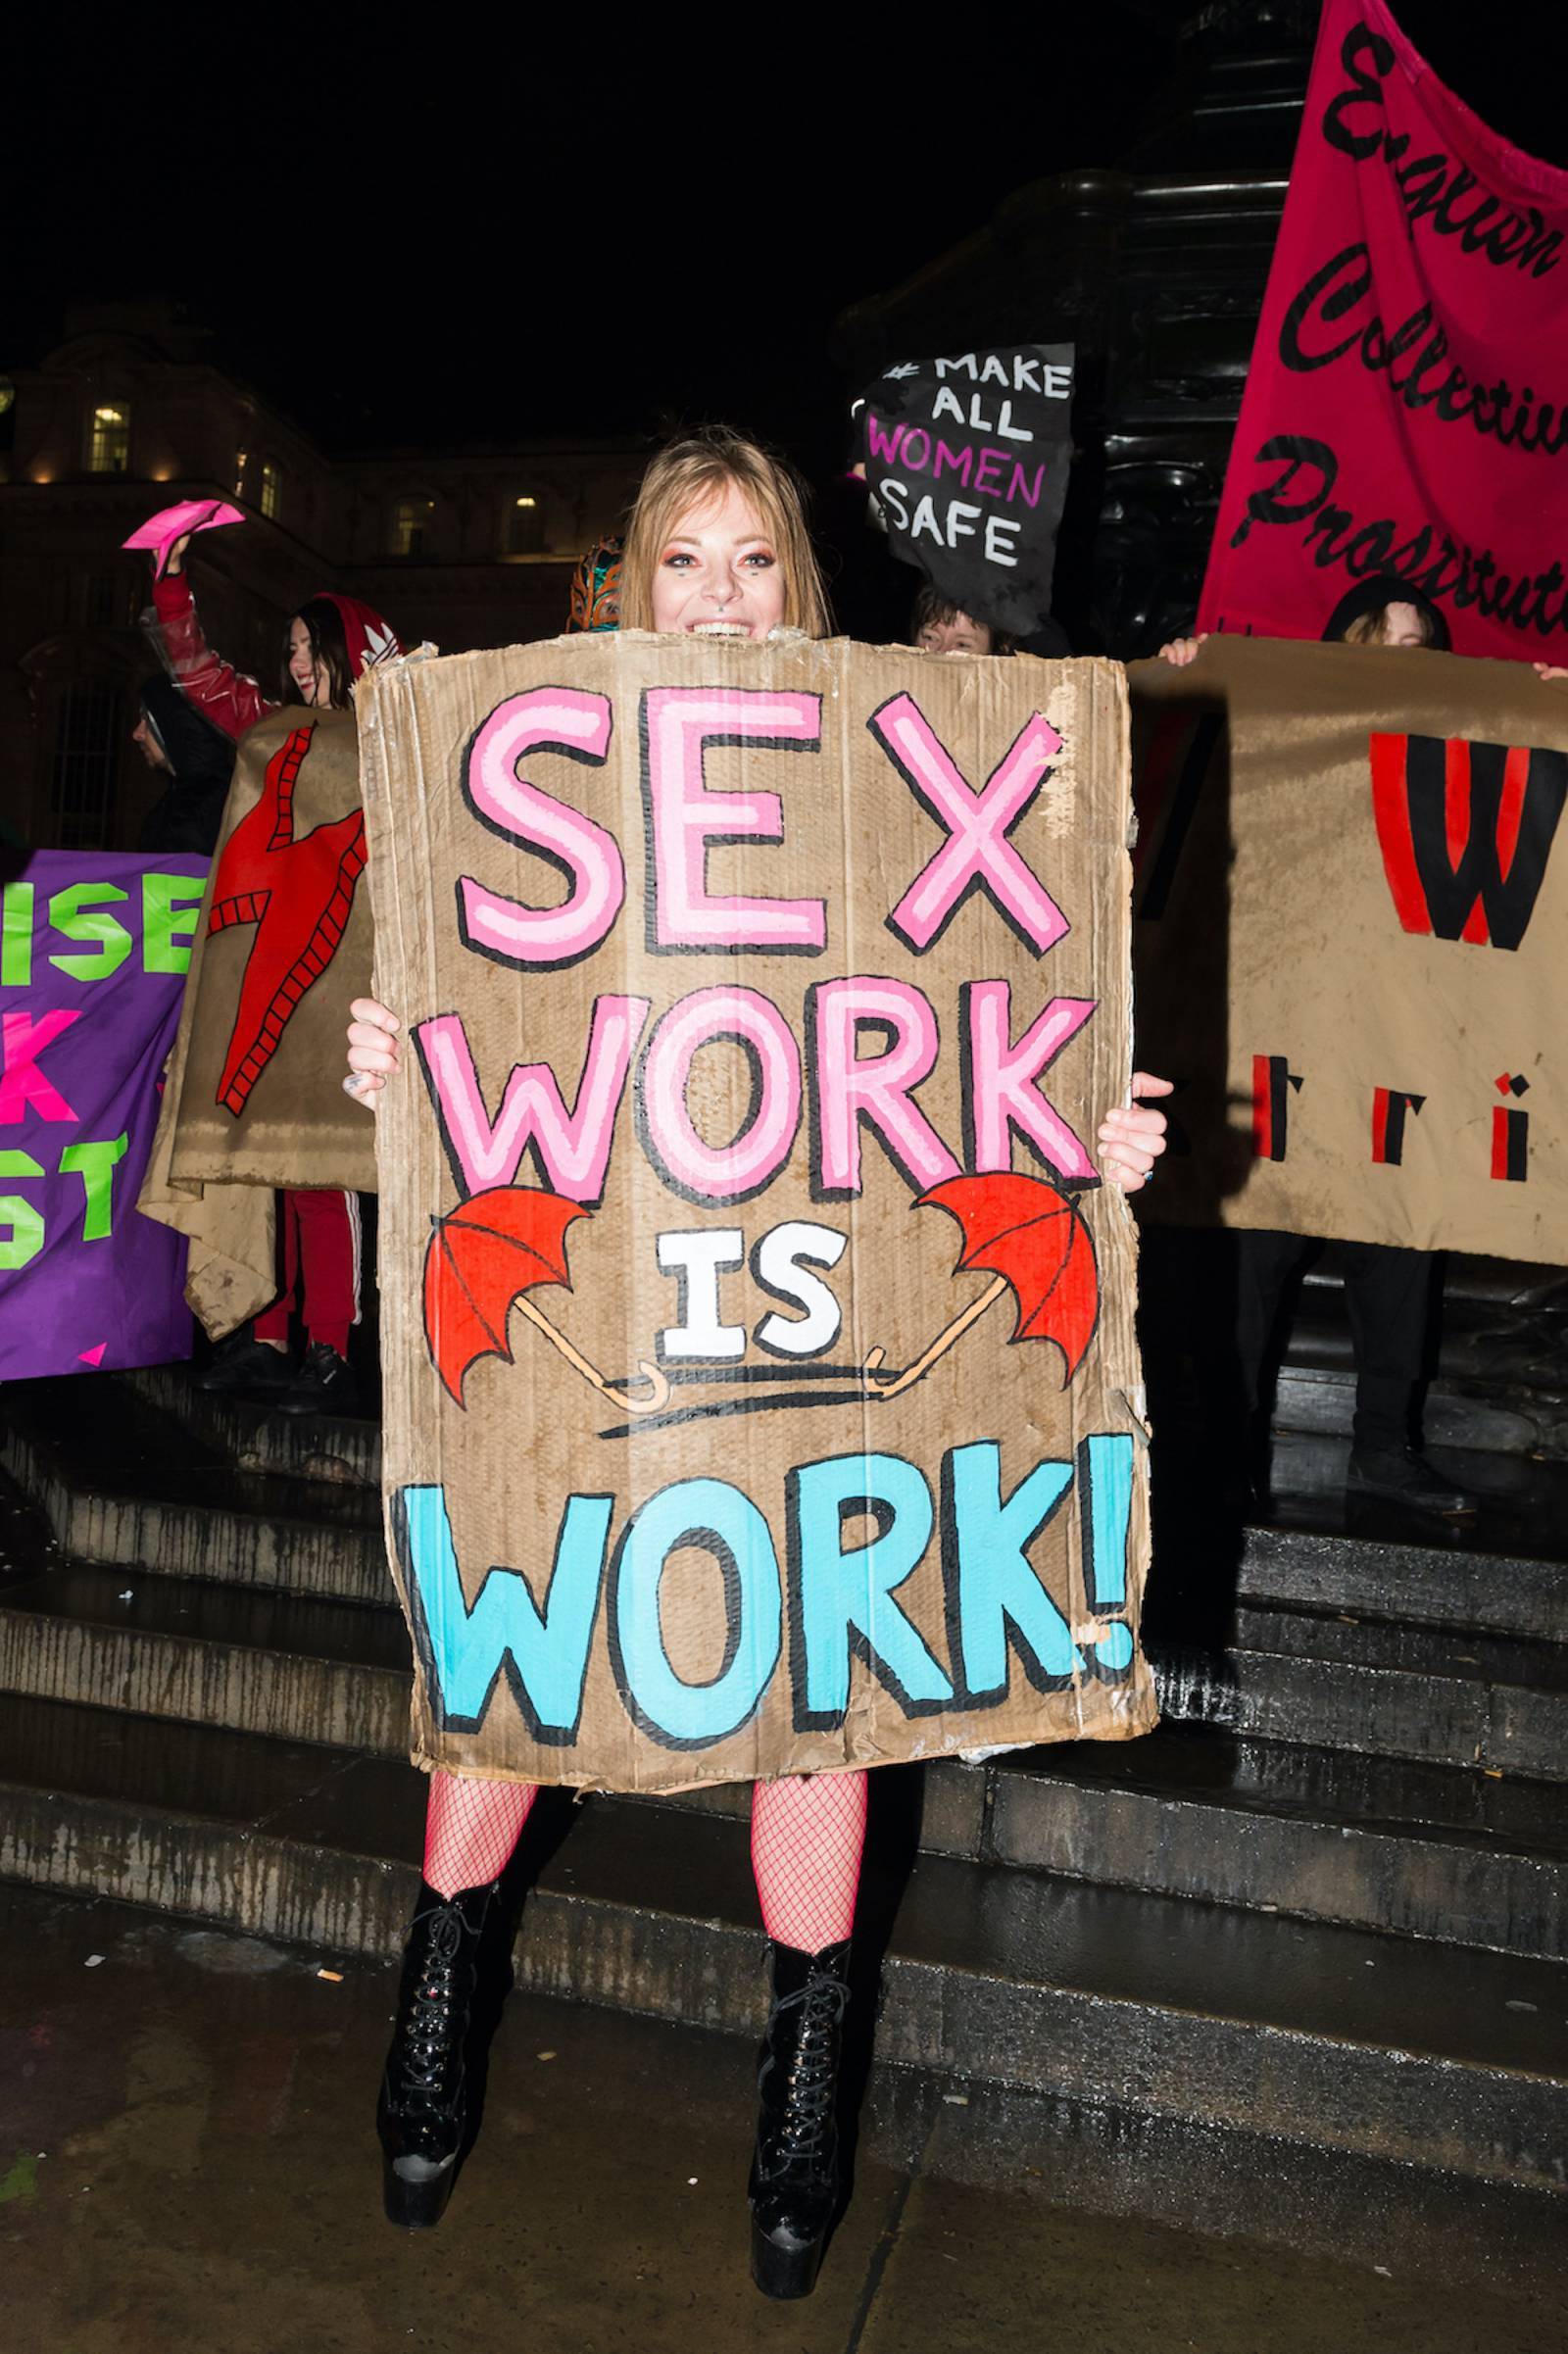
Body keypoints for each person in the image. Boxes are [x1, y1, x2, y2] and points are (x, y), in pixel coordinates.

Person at [346, 426, 1170, 2299]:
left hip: (824, 1285)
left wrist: (1089, 1137)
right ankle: (442, 1993)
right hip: (618, 1287)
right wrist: (413, 1075)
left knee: (822, 1662)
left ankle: (808, 2073)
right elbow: (485, 1007)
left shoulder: (886, 780)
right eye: (684, 562)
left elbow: (988, 1017)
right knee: (532, 1621)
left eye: (754, 562)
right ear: (627, 591)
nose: (720, 596)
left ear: (802, 584)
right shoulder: (539, 783)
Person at [1159, 574, 1474, 1514]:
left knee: (1402, 1244)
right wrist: (1185, 677)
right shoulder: (1285, 735)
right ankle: (1230, 1449)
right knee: (1256, 1250)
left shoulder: (1453, 752)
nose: (1411, 665)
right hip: (1289, 1039)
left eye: (1425, 652)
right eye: (1395, 645)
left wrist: (1540, 700)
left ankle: (1384, 1446)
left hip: (1397, 1043)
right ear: (1348, 645)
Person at [139, 522, 402, 1417]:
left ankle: (329, 1345)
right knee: (260, 1167)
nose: (291, 664)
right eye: (286, 650)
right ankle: (263, 1336)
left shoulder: (393, 730)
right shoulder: (271, 725)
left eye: (300, 647)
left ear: (336, 645)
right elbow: (205, 681)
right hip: (267, 956)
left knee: (322, 1172)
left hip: (348, 978)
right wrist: (173, 594)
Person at [132, 674, 235, 858]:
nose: (137, 734)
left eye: (146, 722)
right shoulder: (176, 802)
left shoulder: (214, 805)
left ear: (173, 726)